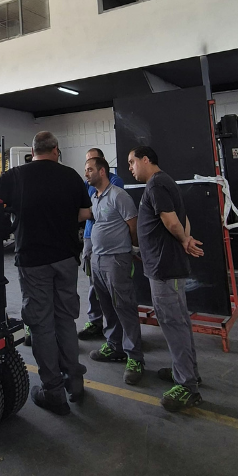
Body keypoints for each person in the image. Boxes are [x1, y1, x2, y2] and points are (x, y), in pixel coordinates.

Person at [0, 131, 92, 415]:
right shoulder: (71, 175)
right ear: (55, 150)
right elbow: (85, 213)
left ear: (32, 150)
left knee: (41, 325)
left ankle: (53, 392)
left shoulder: (17, 175)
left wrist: (12, 209)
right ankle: (75, 382)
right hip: (66, 258)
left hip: (33, 260)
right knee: (65, 319)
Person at [128, 145, 205, 412]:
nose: (130, 168)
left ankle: (187, 386)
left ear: (145, 159)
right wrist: (186, 238)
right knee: (179, 322)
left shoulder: (156, 185)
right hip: (166, 266)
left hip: (164, 268)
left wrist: (183, 240)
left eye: (132, 162)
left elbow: (172, 221)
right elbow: (183, 218)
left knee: (173, 324)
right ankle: (187, 371)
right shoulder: (165, 182)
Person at [83, 156, 144, 385]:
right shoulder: (95, 197)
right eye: (86, 170)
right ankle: (114, 345)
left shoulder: (119, 196)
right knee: (107, 306)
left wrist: (132, 249)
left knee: (124, 308)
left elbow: (133, 226)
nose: (86, 174)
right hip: (97, 260)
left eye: (90, 169)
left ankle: (135, 358)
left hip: (116, 260)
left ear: (102, 171)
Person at [78, 148, 125, 341]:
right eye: (86, 166)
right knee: (94, 283)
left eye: (92, 165)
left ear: (102, 165)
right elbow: (83, 206)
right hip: (90, 237)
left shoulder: (116, 183)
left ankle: (119, 333)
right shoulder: (87, 184)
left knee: (114, 287)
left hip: (112, 244)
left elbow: (99, 209)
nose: (88, 172)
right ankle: (95, 322)